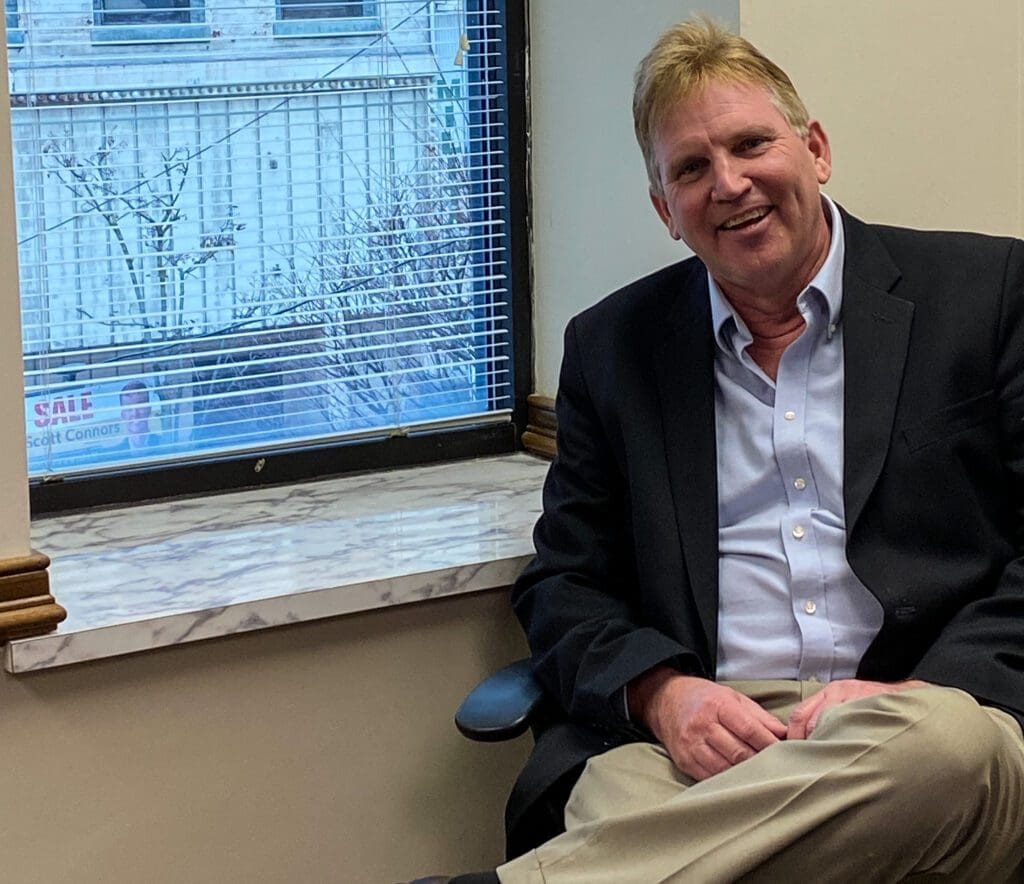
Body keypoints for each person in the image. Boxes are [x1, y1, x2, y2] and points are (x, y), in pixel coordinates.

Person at [413, 15, 1024, 883]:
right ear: (665, 209)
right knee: (615, 800)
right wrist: (664, 696)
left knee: (945, 749)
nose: (730, 184)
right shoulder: (614, 348)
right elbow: (567, 583)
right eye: (692, 169)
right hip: (705, 734)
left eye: (751, 144)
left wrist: (926, 691)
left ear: (814, 148)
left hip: (914, 720)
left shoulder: (987, 296)